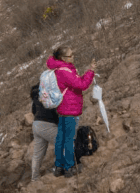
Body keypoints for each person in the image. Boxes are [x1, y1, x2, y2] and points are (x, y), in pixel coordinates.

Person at [47, 46, 96, 177]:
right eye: (71, 55)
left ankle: (58, 166)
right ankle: (69, 167)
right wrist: (90, 71)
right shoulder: (65, 71)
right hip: (70, 109)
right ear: (63, 58)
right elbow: (81, 84)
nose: (73, 57)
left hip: (63, 109)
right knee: (68, 139)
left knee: (61, 138)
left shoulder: (58, 69)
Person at [30, 82, 59, 181]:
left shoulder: (36, 95)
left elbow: (33, 110)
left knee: (37, 153)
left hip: (36, 124)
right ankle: (58, 168)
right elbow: (55, 111)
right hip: (47, 123)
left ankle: (35, 178)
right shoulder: (51, 92)